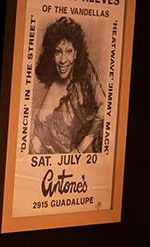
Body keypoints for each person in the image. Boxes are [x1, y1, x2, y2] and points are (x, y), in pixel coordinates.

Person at [31, 16, 104, 155]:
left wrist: (80, 148)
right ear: (52, 56)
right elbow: (35, 148)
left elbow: (105, 106)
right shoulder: (48, 106)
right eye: (58, 52)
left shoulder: (86, 70)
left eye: (69, 51)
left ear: (76, 53)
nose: (63, 60)